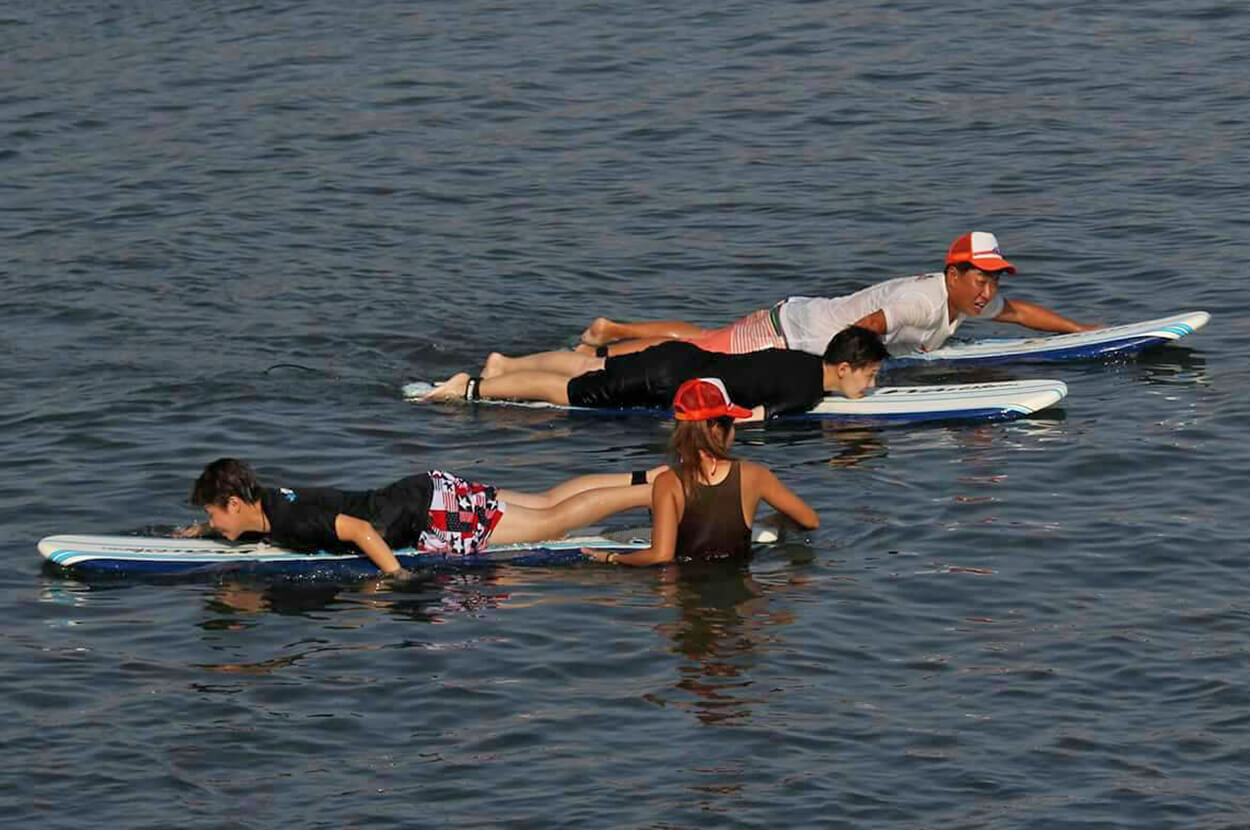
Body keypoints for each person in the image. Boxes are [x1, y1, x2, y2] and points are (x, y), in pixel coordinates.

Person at [575, 231, 1099, 357]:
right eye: (981, 279)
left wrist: (1083, 332)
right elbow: (865, 329)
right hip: (790, 334)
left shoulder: (967, 300)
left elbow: (1022, 314)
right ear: (954, 274)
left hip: (798, 318)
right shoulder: (921, 301)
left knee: (707, 339)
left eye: (995, 280)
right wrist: (850, 375)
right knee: (700, 351)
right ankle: (603, 358)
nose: (989, 292)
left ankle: (613, 330)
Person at [177, 458, 662, 578]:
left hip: (430, 514)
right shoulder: (267, 497)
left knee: (554, 523)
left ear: (235, 504)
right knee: (545, 500)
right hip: (422, 490)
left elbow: (360, 531)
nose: (213, 523)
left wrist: (393, 577)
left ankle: (656, 493)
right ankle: (651, 478)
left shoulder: (289, 521)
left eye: (211, 514)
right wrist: (202, 532)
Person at [423, 324, 891, 421]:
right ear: (843, 368)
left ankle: (506, 364)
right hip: (670, 382)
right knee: (571, 391)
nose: (871, 385)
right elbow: (752, 418)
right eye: (869, 376)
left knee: (590, 365)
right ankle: (473, 388)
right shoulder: (808, 391)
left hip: (681, 356)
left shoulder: (802, 358)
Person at [582, 378, 819, 566]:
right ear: (718, 428)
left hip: (686, 593)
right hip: (740, 598)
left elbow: (660, 556)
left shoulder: (668, 482)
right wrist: (776, 520)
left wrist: (611, 558)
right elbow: (810, 520)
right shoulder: (755, 475)